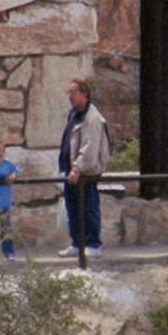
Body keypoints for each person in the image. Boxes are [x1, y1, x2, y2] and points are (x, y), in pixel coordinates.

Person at [58, 78, 111, 257]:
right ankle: (77, 242)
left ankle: (94, 244)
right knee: (73, 207)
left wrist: (78, 168)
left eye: (73, 93)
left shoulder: (92, 118)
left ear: (84, 95)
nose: (70, 97)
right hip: (71, 168)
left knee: (88, 207)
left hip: (85, 171)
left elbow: (90, 147)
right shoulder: (74, 113)